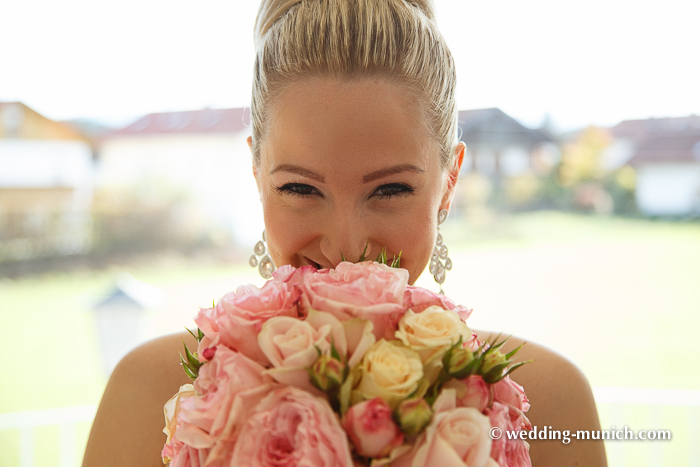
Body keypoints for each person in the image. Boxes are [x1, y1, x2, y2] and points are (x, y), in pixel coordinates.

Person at [83, 0, 607, 465]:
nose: (346, 248)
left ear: (448, 185)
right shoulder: (152, 393)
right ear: (256, 176)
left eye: (391, 190)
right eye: (301, 189)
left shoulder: (546, 400)